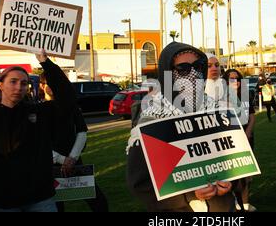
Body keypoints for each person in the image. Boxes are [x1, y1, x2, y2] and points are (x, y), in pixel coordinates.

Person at [126, 42, 236, 212]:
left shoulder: (217, 111)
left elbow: (234, 162)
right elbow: (141, 184)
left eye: (199, 66)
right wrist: (190, 195)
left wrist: (230, 181)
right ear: (167, 74)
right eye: (183, 68)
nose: (193, 74)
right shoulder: (152, 121)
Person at [0, 50, 75, 212]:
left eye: (24, 83)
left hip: (40, 198)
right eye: (13, 81)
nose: (19, 87)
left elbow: (67, 97)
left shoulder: (38, 113)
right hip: (2, 202)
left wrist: (45, 61)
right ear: (0, 85)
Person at [38, 73, 109, 212]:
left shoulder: (71, 107)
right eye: (49, 83)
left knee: (99, 202)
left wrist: (72, 158)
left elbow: (81, 132)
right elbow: (38, 141)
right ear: (42, 85)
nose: (54, 86)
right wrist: (61, 159)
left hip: (75, 162)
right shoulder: (37, 109)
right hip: (49, 167)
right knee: (57, 206)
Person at [223, 68, 256, 212]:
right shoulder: (221, 98)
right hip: (230, 140)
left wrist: (248, 132)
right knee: (233, 174)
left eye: (237, 78)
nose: (235, 81)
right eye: (231, 78)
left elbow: (252, 115)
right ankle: (234, 203)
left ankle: (246, 203)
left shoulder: (245, 95)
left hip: (246, 137)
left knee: (247, 173)